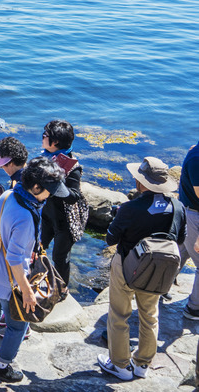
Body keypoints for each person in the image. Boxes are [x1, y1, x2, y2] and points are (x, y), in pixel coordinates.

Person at [0, 157, 69, 383]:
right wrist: (27, 292)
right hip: (9, 283)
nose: (50, 196)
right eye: (49, 191)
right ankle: (2, 366)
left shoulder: (8, 195)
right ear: (36, 187)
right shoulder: (26, 216)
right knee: (18, 325)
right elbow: (15, 259)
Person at [97, 157, 186, 380]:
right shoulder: (178, 207)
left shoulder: (129, 208)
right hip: (159, 269)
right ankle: (142, 364)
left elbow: (110, 240)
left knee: (119, 314)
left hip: (128, 265)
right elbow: (181, 239)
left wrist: (116, 217)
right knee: (150, 316)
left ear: (140, 183)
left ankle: (119, 365)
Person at [40, 119, 84, 287]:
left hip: (65, 220)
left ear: (56, 141)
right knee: (37, 248)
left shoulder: (73, 167)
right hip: (46, 215)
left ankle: (61, 289)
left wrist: (55, 184)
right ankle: (38, 278)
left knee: (60, 257)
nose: (42, 138)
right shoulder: (45, 157)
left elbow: (74, 196)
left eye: (45, 135)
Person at [178, 142, 199, 320]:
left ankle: (160, 289)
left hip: (189, 211)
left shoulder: (195, 152)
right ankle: (194, 308)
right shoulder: (197, 158)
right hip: (194, 215)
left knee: (181, 252)